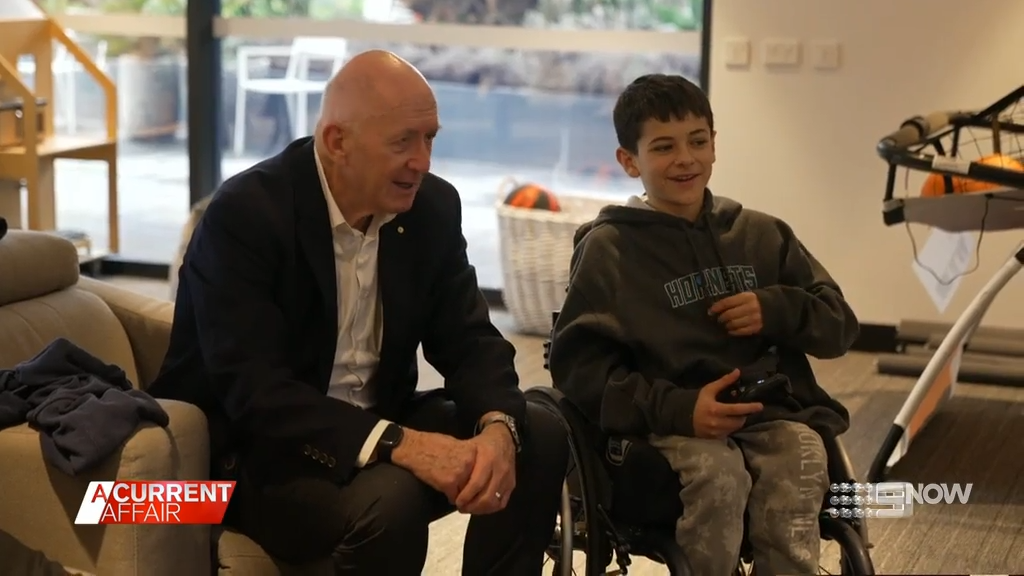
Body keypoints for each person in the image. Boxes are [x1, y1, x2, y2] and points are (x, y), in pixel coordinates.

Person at [149, 50, 569, 575]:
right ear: (336, 142)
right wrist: (401, 444)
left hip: (373, 423)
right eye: (403, 142)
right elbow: (255, 393)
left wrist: (498, 428)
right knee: (392, 499)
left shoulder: (431, 208)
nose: (423, 161)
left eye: (429, 138)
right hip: (253, 457)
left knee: (540, 432)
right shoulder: (247, 215)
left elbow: (470, 340)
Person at [547, 73, 860, 576]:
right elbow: (580, 369)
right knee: (719, 474)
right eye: (664, 147)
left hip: (767, 412)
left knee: (803, 455)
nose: (686, 159)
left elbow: (839, 326)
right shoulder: (610, 249)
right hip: (667, 420)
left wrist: (775, 308)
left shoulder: (760, 235)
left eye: (698, 141)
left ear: (715, 145)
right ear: (630, 161)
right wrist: (681, 409)